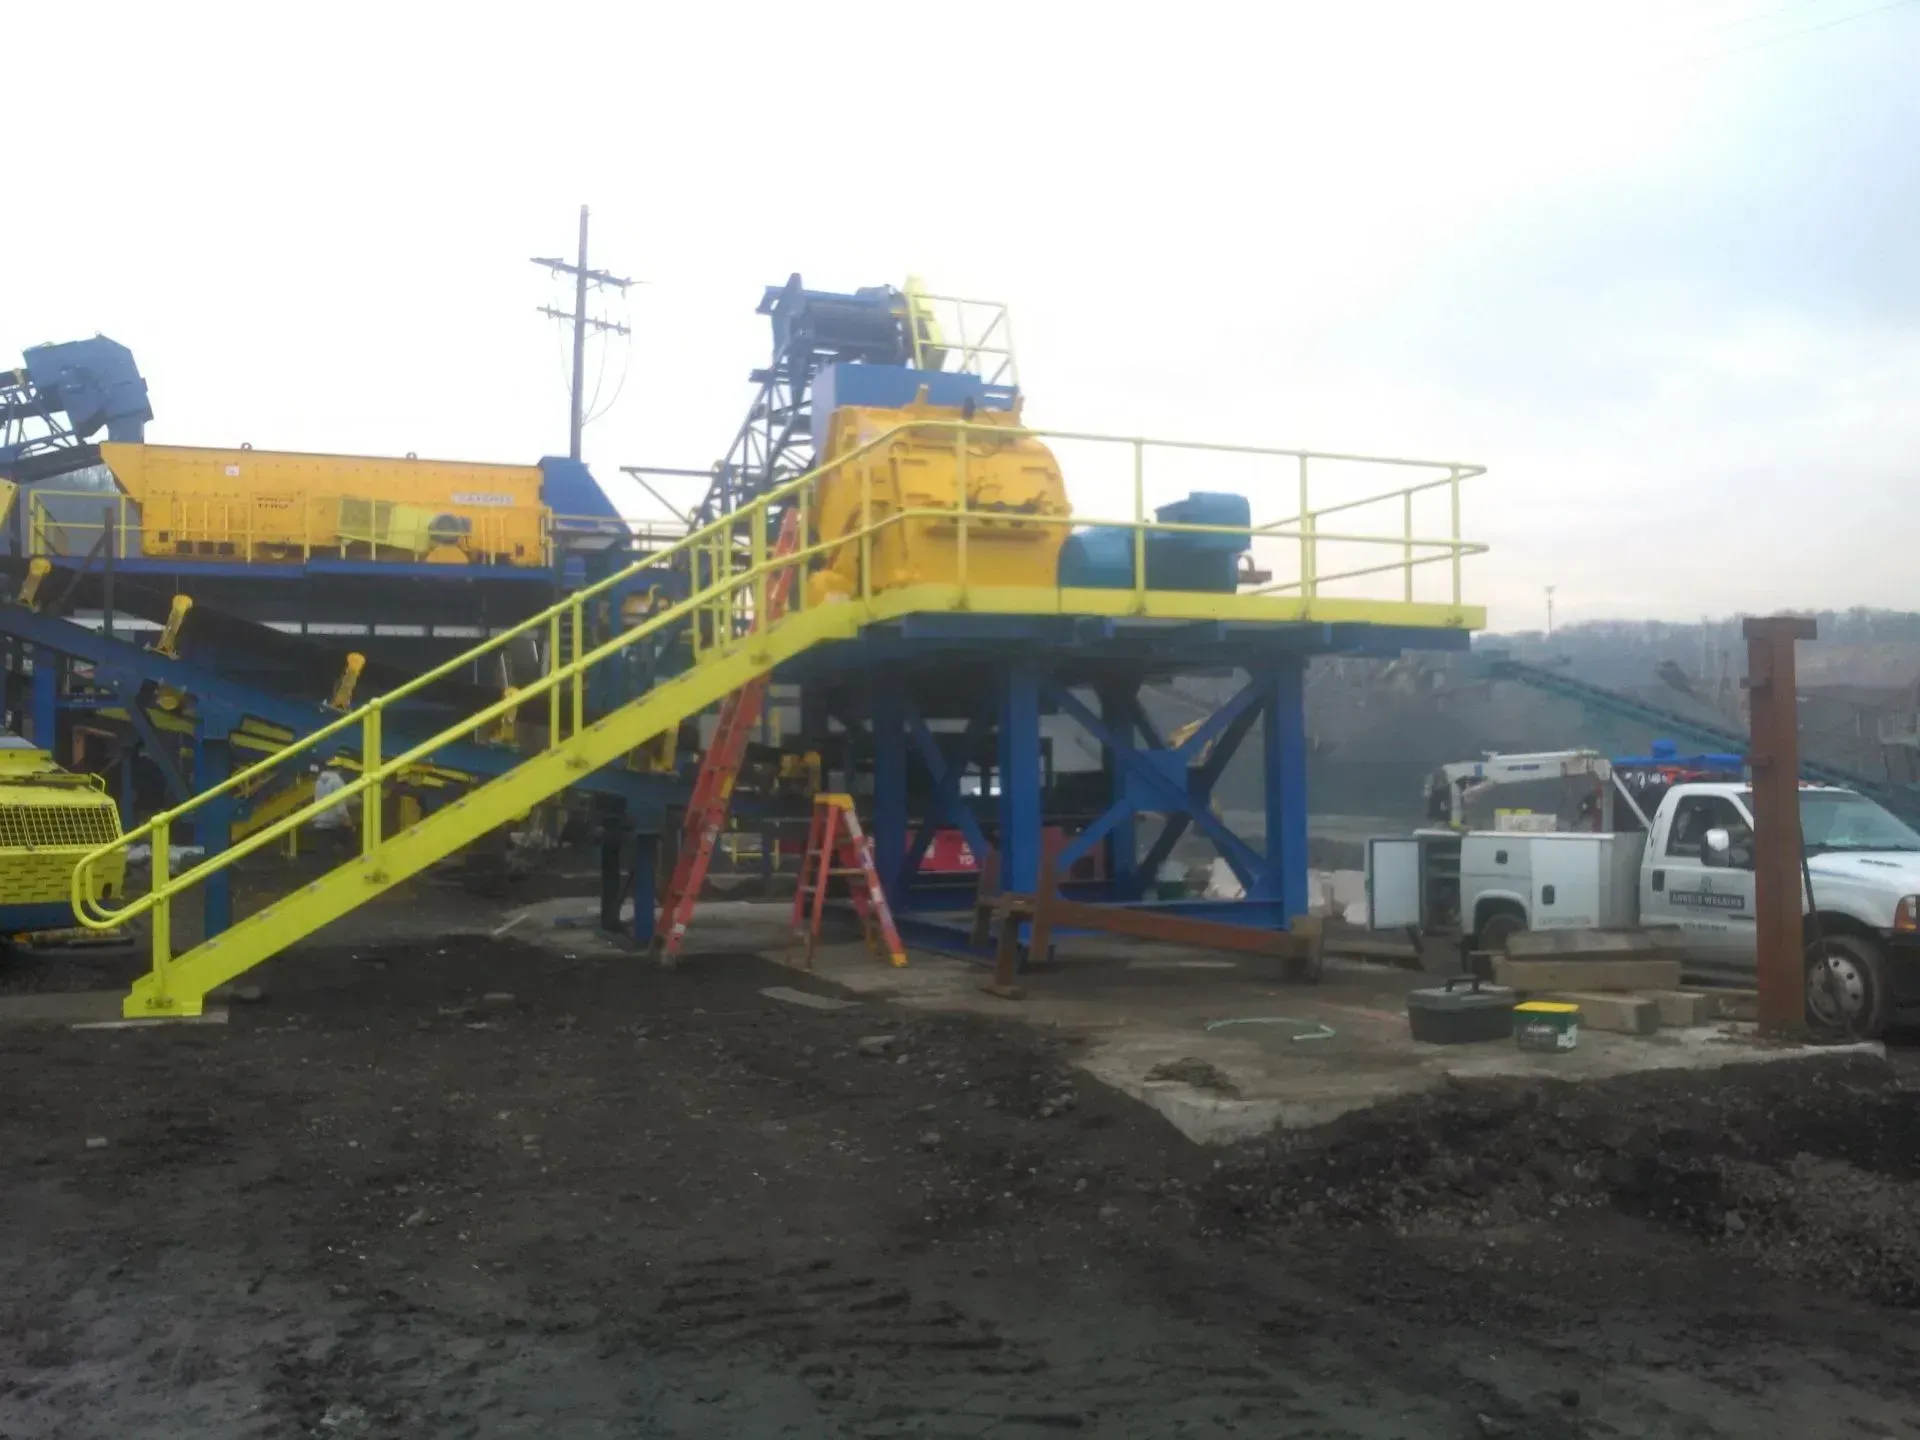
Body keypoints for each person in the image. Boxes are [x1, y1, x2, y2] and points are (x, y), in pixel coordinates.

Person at [310, 763, 356, 860]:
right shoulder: (337, 780)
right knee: (350, 842)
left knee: (323, 854)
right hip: (332, 822)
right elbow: (340, 808)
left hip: (319, 820)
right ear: (340, 768)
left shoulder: (320, 779)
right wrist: (349, 822)